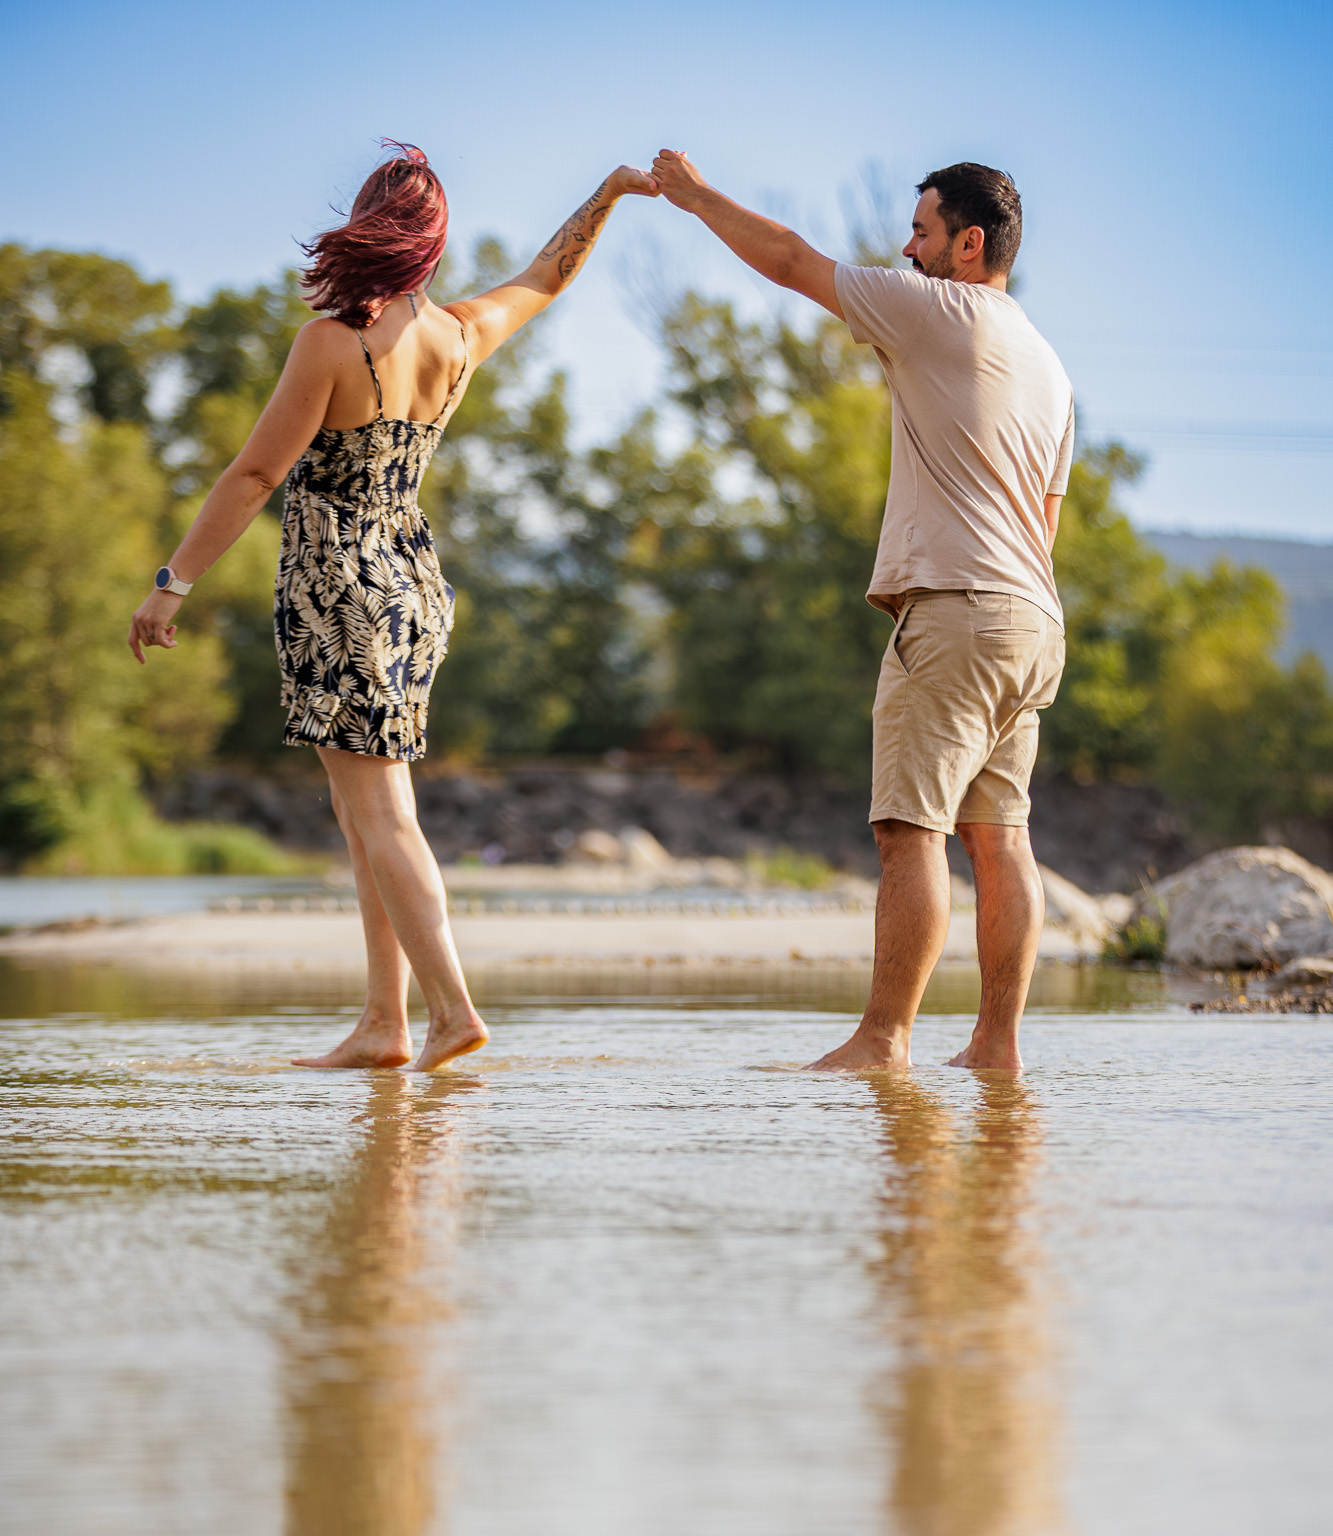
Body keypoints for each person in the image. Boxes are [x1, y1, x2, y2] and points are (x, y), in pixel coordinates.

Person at [129, 143, 656, 1071]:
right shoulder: (459, 336)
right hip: (412, 584)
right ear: (433, 246)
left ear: (371, 231)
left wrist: (171, 584)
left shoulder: (331, 344)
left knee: (382, 815)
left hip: (338, 589)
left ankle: (451, 1011)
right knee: (362, 809)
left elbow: (257, 474)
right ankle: (384, 1022)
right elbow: (548, 273)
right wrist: (608, 192)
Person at [650, 151, 1074, 1073]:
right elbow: (1044, 521)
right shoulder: (1048, 367)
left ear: (969, 245)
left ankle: (881, 1042)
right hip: (1032, 620)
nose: (906, 250)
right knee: (1001, 836)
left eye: (921, 232)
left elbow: (794, 262)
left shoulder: (938, 308)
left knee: (907, 829)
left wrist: (692, 198)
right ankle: (995, 1049)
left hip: (958, 612)